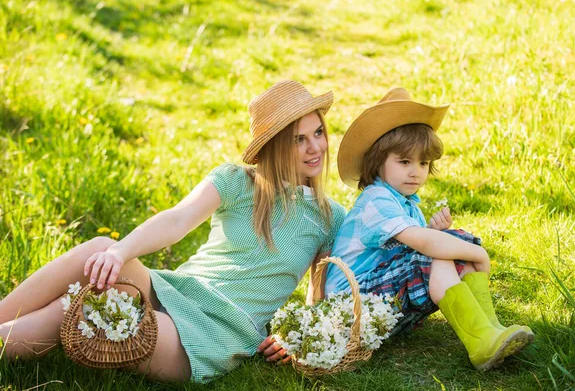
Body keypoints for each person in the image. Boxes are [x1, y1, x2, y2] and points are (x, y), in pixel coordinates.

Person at [0, 80, 346, 383]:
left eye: (318, 133)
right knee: (101, 248)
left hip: (217, 332)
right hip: (175, 290)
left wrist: (295, 335)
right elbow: (178, 219)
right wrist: (120, 252)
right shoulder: (238, 181)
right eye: (299, 139)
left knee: (83, 307)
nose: (315, 147)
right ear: (274, 146)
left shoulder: (329, 217)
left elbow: (323, 295)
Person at [324, 88, 534, 371]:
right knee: (437, 250)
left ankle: (490, 329)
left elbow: (420, 249)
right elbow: (424, 248)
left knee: (445, 246)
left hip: (380, 309)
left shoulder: (408, 205)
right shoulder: (376, 199)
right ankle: (482, 340)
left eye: (423, 163)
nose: (416, 172)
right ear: (377, 162)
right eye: (404, 162)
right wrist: (476, 252)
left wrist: (438, 234)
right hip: (350, 311)